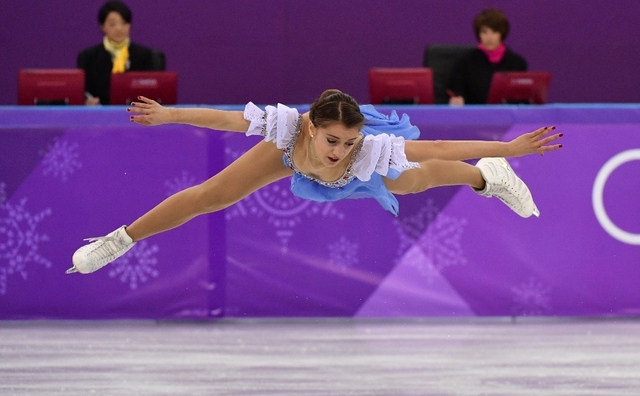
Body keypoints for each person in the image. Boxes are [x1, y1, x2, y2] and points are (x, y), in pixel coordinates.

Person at [66, 89, 562, 275]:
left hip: (352, 178)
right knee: (211, 196)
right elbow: (225, 121)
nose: (337, 149)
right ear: (310, 127)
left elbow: (435, 148)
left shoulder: (363, 149)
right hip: (288, 159)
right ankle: (120, 239)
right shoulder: (288, 128)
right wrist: (168, 114)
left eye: (347, 142)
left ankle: (489, 177)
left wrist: (507, 148)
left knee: (415, 180)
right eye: (331, 139)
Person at [77, 1, 162, 106]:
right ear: (102, 26)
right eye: (112, 24)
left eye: (124, 23)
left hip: (138, 113)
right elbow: (84, 92)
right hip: (101, 116)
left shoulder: (147, 56)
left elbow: (156, 93)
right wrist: (87, 102)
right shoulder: (88, 57)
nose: (119, 28)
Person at [447, 8, 527, 105]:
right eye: (484, 32)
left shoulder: (517, 63)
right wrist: (458, 98)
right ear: (479, 34)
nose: (489, 37)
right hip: (475, 116)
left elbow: (523, 97)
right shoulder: (465, 62)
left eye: (494, 32)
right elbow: (455, 89)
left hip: (506, 116)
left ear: (501, 33)